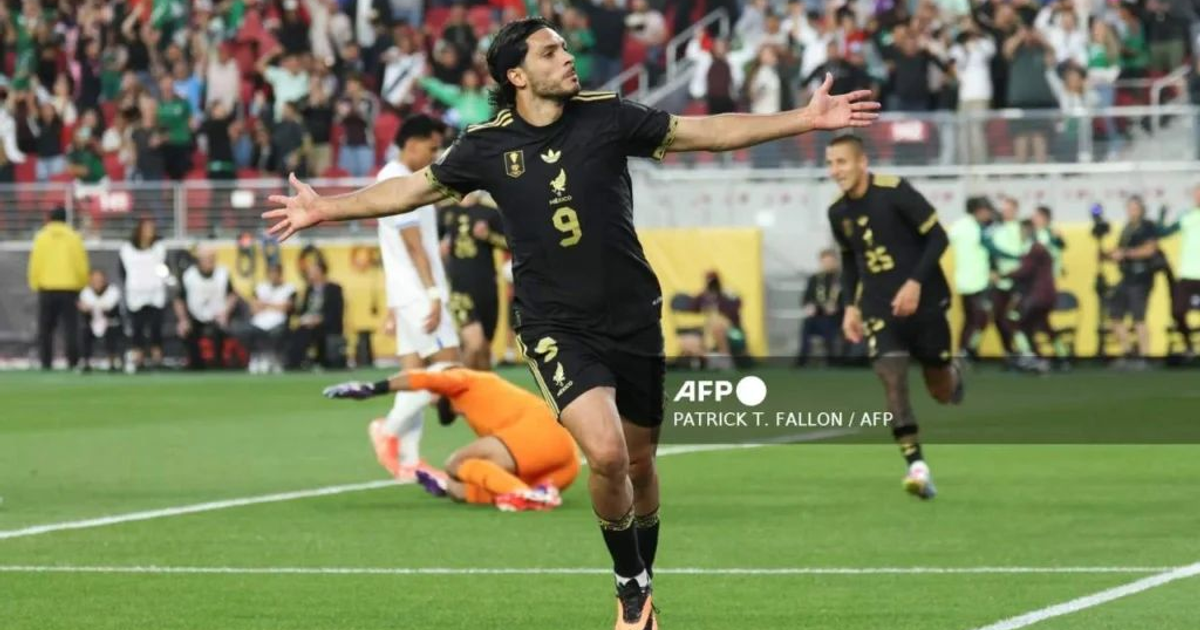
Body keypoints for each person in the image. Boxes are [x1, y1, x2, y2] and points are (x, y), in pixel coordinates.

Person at [262, 16, 878, 629]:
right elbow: (409, 192)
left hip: (633, 316)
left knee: (639, 464)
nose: (566, 57)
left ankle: (642, 578)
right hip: (555, 324)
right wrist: (325, 209)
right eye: (550, 51)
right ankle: (631, 589)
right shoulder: (485, 146)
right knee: (606, 456)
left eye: (564, 47)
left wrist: (805, 118)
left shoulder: (607, 116)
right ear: (517, 74)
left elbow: (707, 131)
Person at [825, 135, 962, 501]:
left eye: (841, 162)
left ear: (862, 162)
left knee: (941, 390)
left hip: (926, 302)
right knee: (892, 379)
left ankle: (951, 374)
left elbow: (938, 237)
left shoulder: (895, 190)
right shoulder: (837, 213)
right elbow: (851, 260)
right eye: (831, 163)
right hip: (878, 308)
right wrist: (851, 307)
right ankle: (917, 467)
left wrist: (915, 283)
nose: (835, 171)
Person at [323, 364, 580, 512]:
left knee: (455, 463)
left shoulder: (465, 379)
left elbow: (423, 377)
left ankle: (525, 494)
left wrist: (374, 388)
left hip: (541, 437)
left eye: (432, 394)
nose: (431, 401)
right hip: (562, 467)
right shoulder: (479, 401)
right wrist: (447, 488)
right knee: (460, 485)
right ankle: (534, 494)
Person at [372, 114, 462, 481]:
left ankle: (408, 459)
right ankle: (389, 430)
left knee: (416, 375)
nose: (436, 153)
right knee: (449, 369)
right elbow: (412, 245)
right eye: (432, 146)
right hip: (418, 292)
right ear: (411, 144)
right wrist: (433, 293)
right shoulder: (395, 180)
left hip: (406, 293)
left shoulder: (403, 178)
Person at [441, 191, 507, 371]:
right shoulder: (445, 212)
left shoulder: (490, 212)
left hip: (486, 287)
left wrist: (488, 236)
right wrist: (440, 251)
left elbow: (510, 243)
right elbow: (431, 247)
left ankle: (480, 396)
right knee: (474, 343)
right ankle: (460, 393)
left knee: (484, 350)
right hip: (458, 288)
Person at [28, 207, 89, 370]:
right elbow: (81, 264)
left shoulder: (41, 237)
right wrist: (82, 284)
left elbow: (35, 263)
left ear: (49, 218)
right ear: (66, 219)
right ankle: (73, 361)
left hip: (46, 288)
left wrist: (35, 283)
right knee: (71, 328)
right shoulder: (74, 237)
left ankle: (46, 362)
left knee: (45, 329)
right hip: (69, 288)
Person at [999, 219, 1065, 371]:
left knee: (1015, 323)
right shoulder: (1040, 249)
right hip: (1047, 295)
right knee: (1044, 325)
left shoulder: (1035, 250)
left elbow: (1024, 271)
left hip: (1037, 296)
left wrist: (1003, 275)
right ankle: (1063, 356)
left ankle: (1030, 357)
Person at [1105, 196, 1159, 368]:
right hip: (1126, 277)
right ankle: (1128, 352)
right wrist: (1111, 255)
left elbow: (1150, 250)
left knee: (1139, 318)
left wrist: (1126, 253)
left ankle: (1144, 356)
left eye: (1134, 208)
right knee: (1115, 315)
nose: (1131, 211)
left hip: (1141, 278)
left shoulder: (1147, 227)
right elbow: (1122, 250)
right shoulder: (1127, 228)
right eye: (1129, 208)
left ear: (1141, 209)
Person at [174, 246, 238, 370]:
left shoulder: (222, 273)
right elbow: (179, 299)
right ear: (199, 260)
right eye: (207, 259)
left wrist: (226, 313)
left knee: (219, 332)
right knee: (188, 332)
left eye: (212, 259)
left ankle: (218, 363)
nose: (210, 262)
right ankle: (196, 364)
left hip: (218, 316)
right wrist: (183, 320)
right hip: (195, 316)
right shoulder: (189, 275)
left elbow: (232, 295)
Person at [948, 197, 995, 361]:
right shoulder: (972, 227)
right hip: (974, 281)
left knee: (973, 319)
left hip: (968, 281)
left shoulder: (962, 226)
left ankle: (966, 350)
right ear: (978, 211)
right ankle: (964, 351)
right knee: (978, 319)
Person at [120, 218, 168, 373]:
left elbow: (164, 269)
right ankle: (138, 358)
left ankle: (157, 358)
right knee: (137, 328)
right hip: (136, 294)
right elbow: (123, 272)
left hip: (155, 293)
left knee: (155, 328)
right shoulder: (127, 249)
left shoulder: (159, 248)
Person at [1158, 186, 1200, 357]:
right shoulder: (1187, 216)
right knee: (1177, 311)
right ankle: (1189, 346)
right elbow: (1163, 232)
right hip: (1187, 275)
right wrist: (1162, 214)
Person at [290, 258, 345, 369]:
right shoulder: (309, 289)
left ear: (321, 272)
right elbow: (303, 310)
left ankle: (320, 361)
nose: (310, 275)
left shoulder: (334, 289)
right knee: (297, 332)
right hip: (309, 324)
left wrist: (319, 319)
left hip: (327, 325)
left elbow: (336, 312)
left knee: (312, 332)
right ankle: (296, 363)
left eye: (313, 272)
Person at [796, 248, 842, 366]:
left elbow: (848, 300)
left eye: (830, 261)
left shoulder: (841, 279)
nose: (828, 264)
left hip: (836, 317)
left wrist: (836, 307)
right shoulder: (815, 279)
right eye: (825, 262)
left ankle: (832, 360)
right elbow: (806, 299)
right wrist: (810, 306)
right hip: (817, 315)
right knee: (807, 324)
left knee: (829, 327)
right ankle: (802, 360)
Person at [248, 262, 296, 374]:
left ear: (280, 274)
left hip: (279, 321)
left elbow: (287, 307)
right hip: (260, 321)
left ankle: (273, 359)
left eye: (275, 273)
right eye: (270, 273)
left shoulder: (289, 288)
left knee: (277, 333)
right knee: (249, 330)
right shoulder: (260, 287)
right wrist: (275, 305)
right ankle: (258, 357)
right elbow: (253, 307)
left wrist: (265, 304)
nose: (273, 275)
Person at [78, 269, 123, 373]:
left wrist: (91, 307)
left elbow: (108, 306)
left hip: (110, 323)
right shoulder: (86, 292)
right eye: (95, 279)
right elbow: (87, 308)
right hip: (92, 323)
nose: (97, 282)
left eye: (100, 279)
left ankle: (112, 362)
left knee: (113, 332)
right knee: (84, 332)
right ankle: (85, 362)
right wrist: (96, 307)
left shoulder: (112, 290)